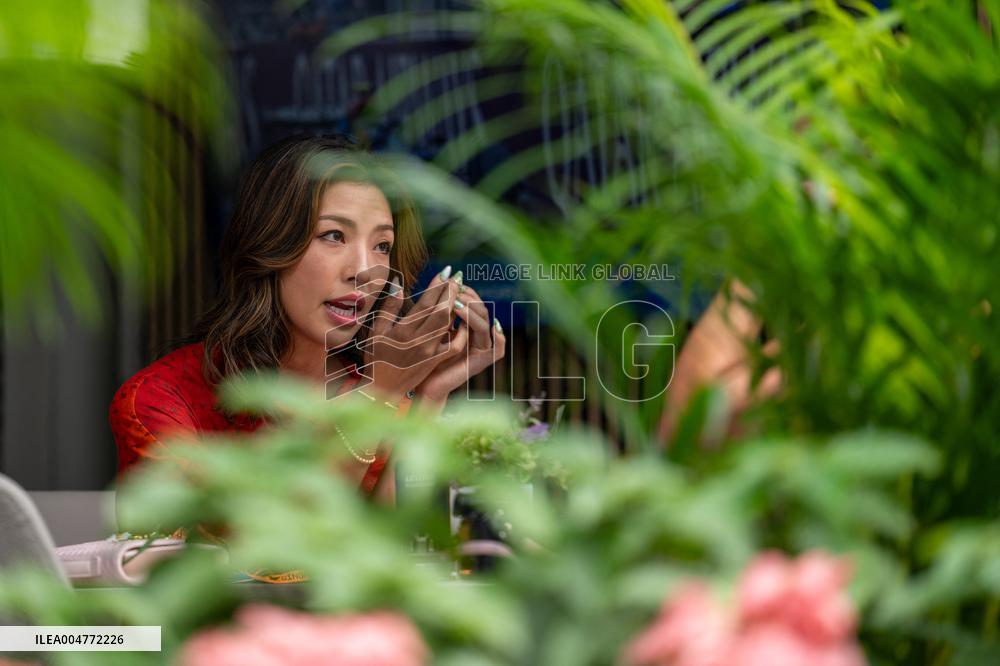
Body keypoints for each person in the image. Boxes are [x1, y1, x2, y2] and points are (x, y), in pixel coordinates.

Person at [109, 135, 505, 502]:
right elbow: (264, 560)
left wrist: (430, 394)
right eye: (334, 236)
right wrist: (380, 394)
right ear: (270, 244)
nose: (365, 271)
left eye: (382, 245)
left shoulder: (385, 399)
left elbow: (397, 554)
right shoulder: (162, 399)